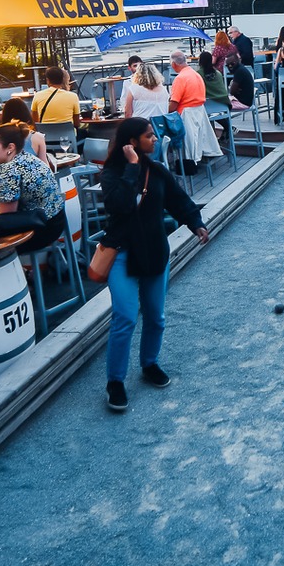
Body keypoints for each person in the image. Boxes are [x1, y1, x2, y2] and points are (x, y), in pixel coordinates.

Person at [98, 116, 209, 413]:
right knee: (125, 317)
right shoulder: (111, 174)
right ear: (132, 142)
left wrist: (195, 223)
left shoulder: (158, 172)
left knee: (155, 317)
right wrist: (132, 167)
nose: (156, 138)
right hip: (122, 254)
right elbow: (119, 205)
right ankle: (115, 381)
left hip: (154, 252)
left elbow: (179, 200)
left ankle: (149, 364)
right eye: (149, 135)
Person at [0, 122, 66, 247]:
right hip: (56, 219)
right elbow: (2, 205)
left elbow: (7, 214)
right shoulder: (25, 157)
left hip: (43, 229)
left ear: (10, 148)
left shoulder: (9, 170)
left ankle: (8, 266)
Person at [169, 49, 223, 167]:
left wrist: (165, 111)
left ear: (173, 64)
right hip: (199, 111)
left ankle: (176, 164)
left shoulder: (180, 78)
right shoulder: (196, 75)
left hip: (186, 114)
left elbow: (174, 103)